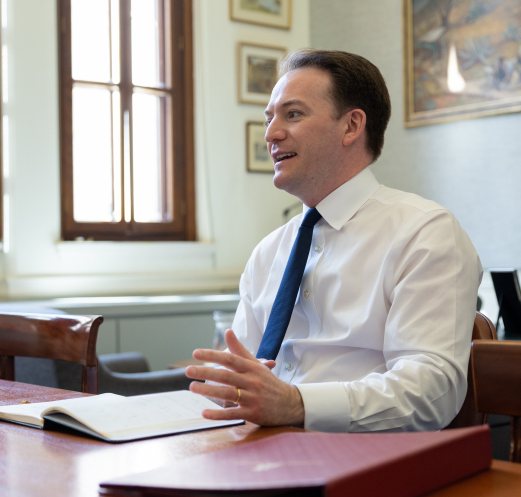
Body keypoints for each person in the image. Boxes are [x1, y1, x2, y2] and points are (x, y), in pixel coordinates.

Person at [186, 49, 482, 432]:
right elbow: (243, 370)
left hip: (366, 463)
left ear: (351, 126)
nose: (271, 133)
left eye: (292, 114)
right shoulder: (268, 252)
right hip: (256, 452)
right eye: (269, 117)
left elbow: (431, 392)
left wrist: (296, 404)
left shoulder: (425, 233)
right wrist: (225, 387)